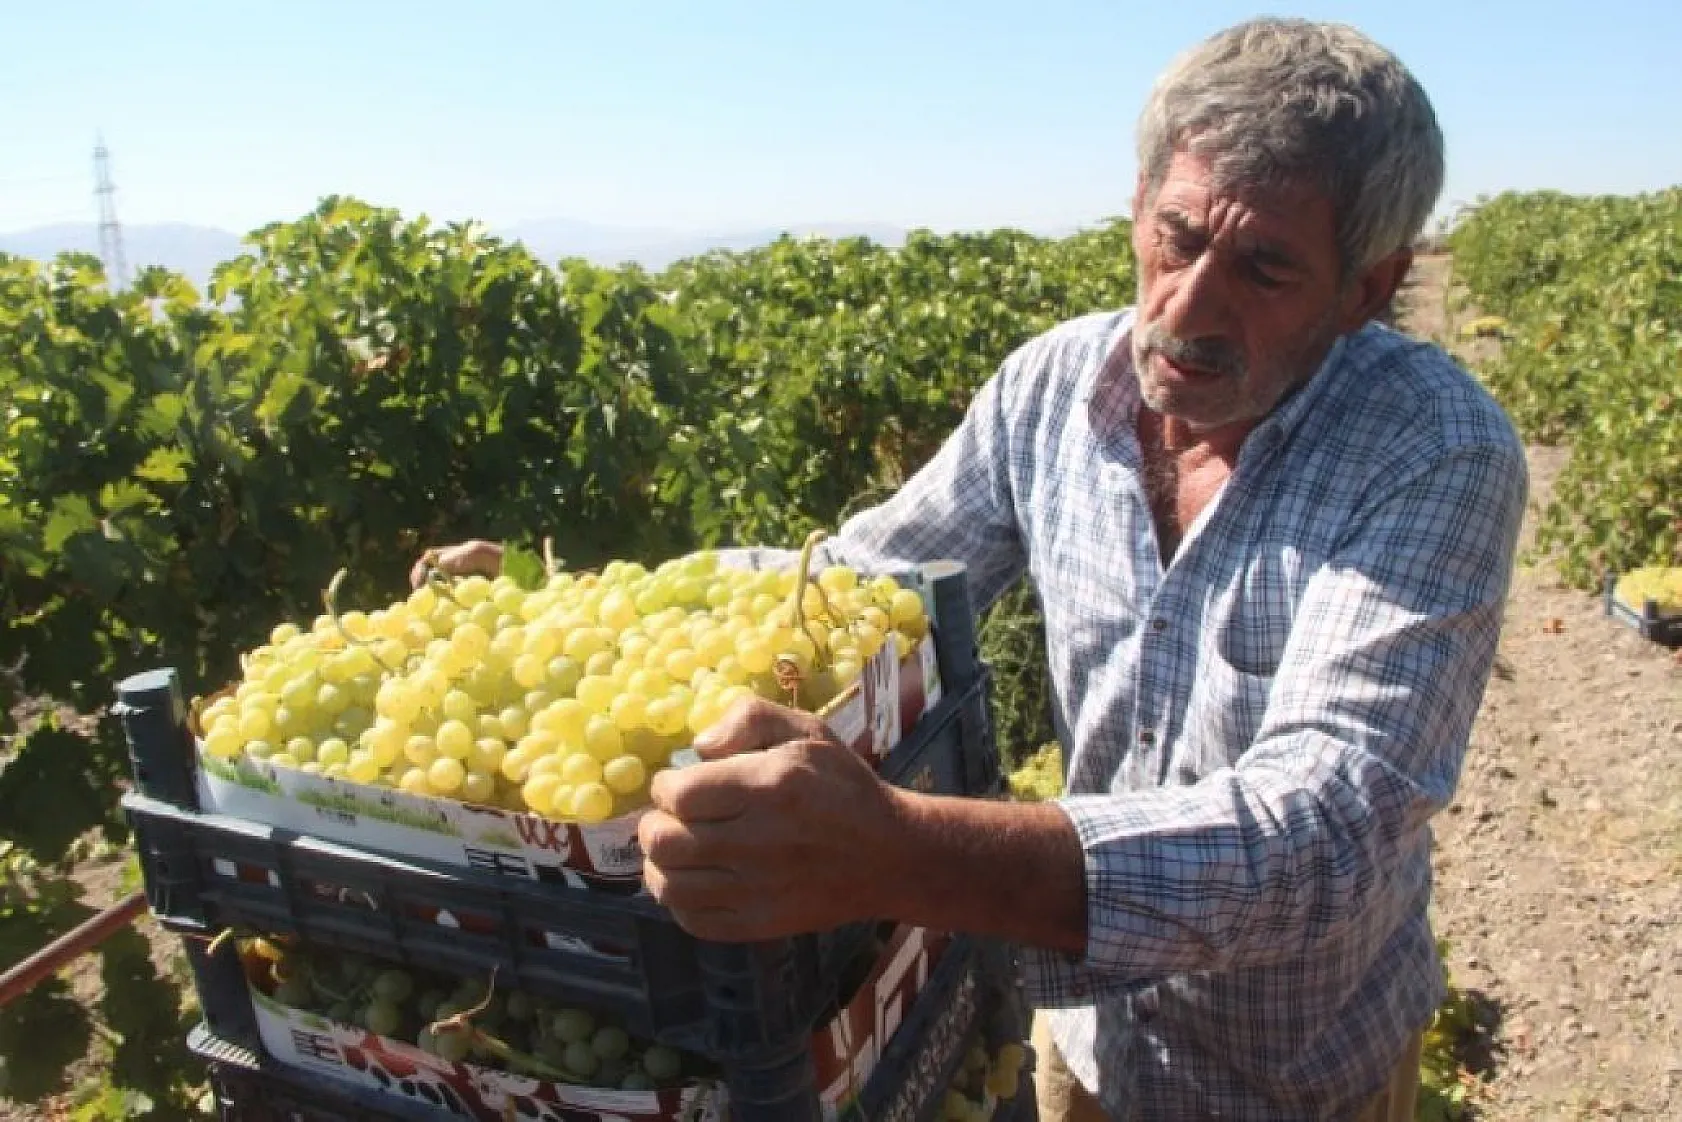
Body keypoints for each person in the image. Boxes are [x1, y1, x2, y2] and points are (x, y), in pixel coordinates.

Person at [414, 17, 1528, 1121]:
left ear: (1366, 289)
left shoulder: (1432, 450)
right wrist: (572, 599)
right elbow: (857, 579)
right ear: (1139, 203)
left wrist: (898, 853)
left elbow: (1325, 829)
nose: (1188, 306)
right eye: (1176, 237)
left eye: (1264, 268)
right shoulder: (1050, 391)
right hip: (1087, 1038)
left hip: (1293, 1075)